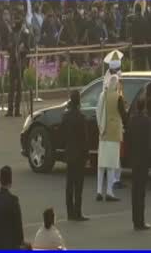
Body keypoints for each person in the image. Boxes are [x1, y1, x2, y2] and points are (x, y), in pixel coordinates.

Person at [96, 73, 126, 201]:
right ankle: (109, 192)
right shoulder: (118, 97)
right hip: (114, 134)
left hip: (104, 133)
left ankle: (98, 191)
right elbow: (124, 115)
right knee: (112, 164)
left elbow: (98, 111)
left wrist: (101, 127)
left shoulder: (103, 95)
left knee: (101, 164)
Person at [62, 90, 89, 220]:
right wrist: (87, 155)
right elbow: (84, 139)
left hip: (69, 152)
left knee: (69, 184)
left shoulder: (65, 117)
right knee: (78, 185)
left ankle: (69, 212)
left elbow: (62, 135)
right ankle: (78, 212)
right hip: (79, 155)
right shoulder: (81, 117)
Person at [127, 97, 151, 230]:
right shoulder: (147, 121)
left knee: (135, 190)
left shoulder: (132, 120)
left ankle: (135, 220)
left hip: (134, 158)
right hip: (143, 159)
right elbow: (149, 142)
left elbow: (129, 139)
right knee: (141, 192)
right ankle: (141, 221)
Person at [0, 166, 23, 249]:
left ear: (0, 181)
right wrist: (20, 241)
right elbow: (18, 224)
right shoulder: (13, 200)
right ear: (10, 182)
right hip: (11, 243)